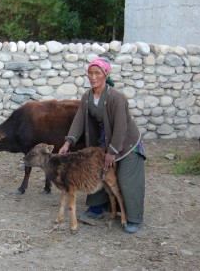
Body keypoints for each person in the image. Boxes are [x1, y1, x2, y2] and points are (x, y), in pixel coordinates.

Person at [58, 57, 146, 234]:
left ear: (105, 74)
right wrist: (68, 143)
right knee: (95, 170)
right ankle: (97, 209)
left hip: (127, 143)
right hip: (106, 142)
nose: (92, 77)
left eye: (97, 73)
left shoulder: (116, 97)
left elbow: (121, 126)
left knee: (126, 179)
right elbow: (79, 120)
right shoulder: (88, 96)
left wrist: (112, 152)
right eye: (90, 73)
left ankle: (134, 218)